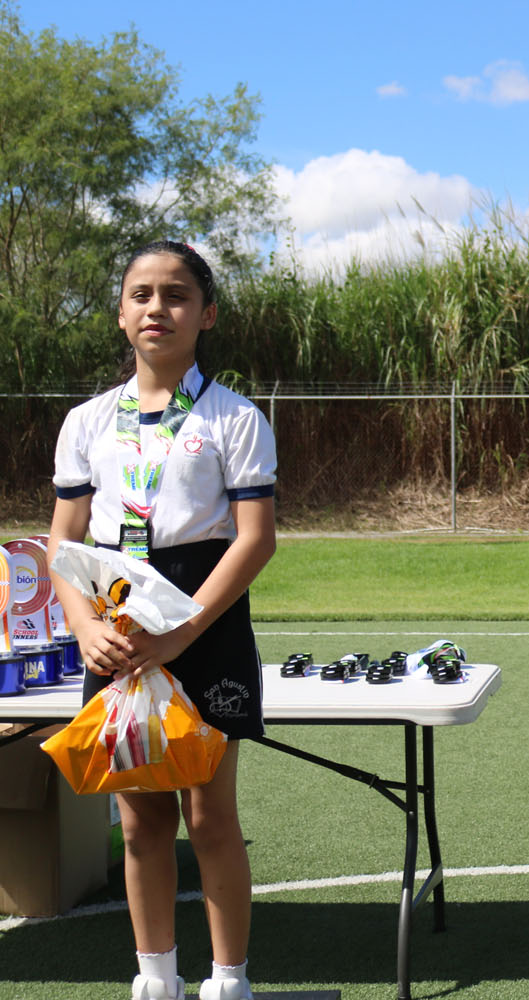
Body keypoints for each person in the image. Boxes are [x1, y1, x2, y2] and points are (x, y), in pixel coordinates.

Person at [47, 241, 277, 1000]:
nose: (157, 308)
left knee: (210, 815)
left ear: (205, 314)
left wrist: (180, 634)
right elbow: (64, 542)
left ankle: (229, 980)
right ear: (120, 314)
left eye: (176, 294)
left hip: (201, 618)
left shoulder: (235, 418)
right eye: (140, 294)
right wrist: (85, 628)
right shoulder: (86, 421)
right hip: (115, 624)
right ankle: (155, 981)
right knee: (141, 820)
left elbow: (255, 539)